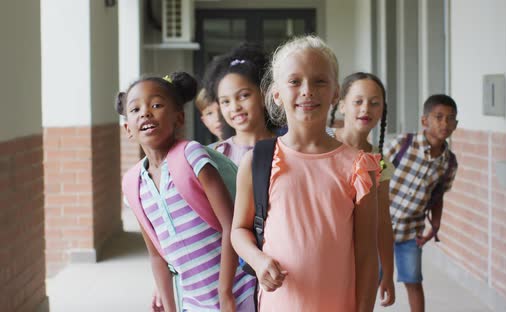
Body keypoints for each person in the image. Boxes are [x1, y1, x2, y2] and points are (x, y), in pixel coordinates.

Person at [231, 36, 381, 312]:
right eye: (294, 81)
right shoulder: (258, 161)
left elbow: (368, 255)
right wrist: (258, 260)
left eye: (320, 81)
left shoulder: (359, 167)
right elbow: (238, 230)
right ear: (276, 94)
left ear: (336, 92)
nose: (307, 90)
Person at [117, 72, 256, 312]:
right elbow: (157, 256)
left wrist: (225, 295)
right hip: (193, 303)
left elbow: (229, 225)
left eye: (157, 105)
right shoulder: (133, 184)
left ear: (179, 117)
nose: (145, 113)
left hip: (238, 292)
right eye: (136, 109)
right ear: (128, 128)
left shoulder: (191, 154)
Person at [384, 94, 459, 312]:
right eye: (438, 117)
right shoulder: (402, 144)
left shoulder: (449, 163)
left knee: (413, 281)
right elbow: (374, 176)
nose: (445, 123)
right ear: (424, 121)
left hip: (411, 231)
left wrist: (434, 227)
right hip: (379, 227)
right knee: (371, 280)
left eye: (450, 118)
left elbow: (438, 197)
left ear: (456, 124)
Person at [328, 72, 395, 307]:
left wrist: (387, 271)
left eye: (374, 103)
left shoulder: (381, 162)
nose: (366, 108)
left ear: (382, 110)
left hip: (361, 262)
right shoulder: (319, 143)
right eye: (358, 101)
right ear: (342, 105)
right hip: (321, 256)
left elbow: (383, 221)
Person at [204, 43, 275, 166]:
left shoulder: (288, 147)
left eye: (243, 96)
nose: (235, 107)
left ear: (264, 95)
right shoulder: (214, 155)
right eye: (225, 101)